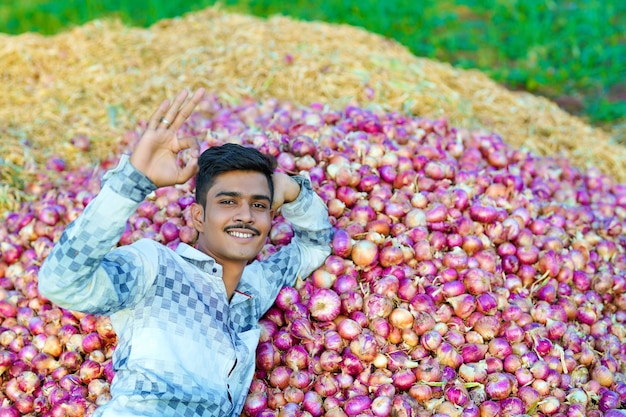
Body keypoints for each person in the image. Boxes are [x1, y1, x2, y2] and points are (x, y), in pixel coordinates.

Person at [38, 88, 333, 416]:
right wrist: (132, 183)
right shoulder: (156, 268)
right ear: (197, 216)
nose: (245, 215)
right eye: (228, 201)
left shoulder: (256, 288)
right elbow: (61, 283)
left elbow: (316, 243)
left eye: (258, 205)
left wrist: (291, 188)